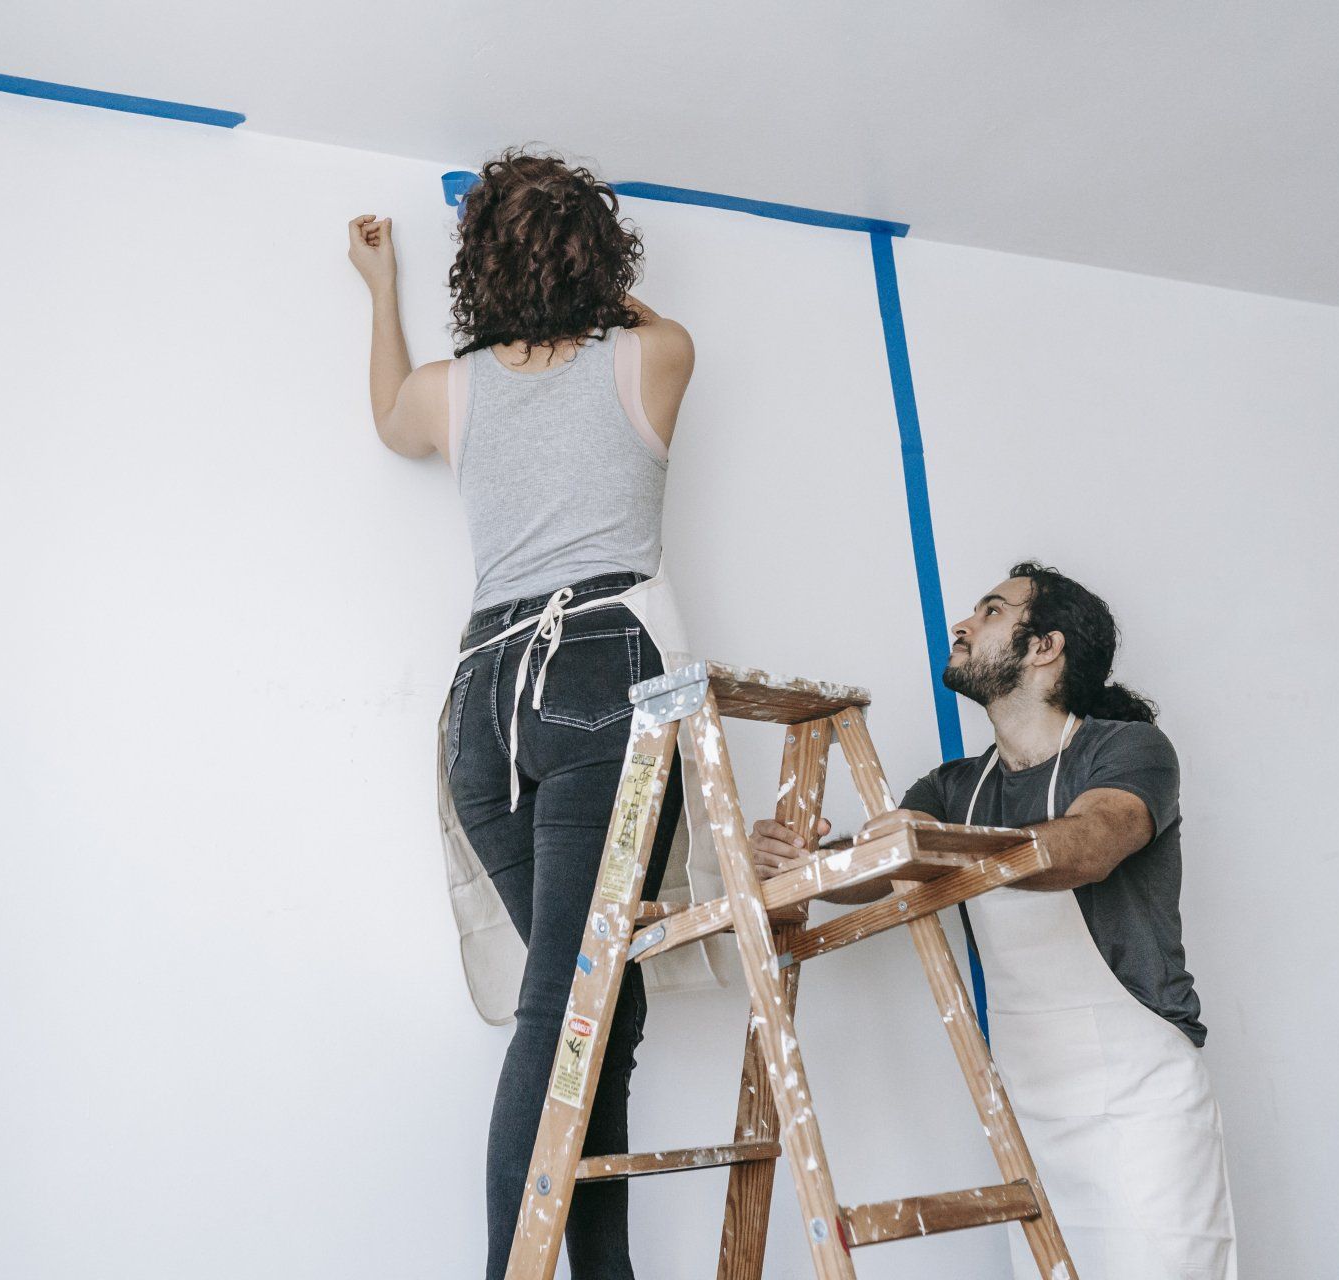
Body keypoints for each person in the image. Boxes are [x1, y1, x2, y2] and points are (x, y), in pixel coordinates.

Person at [348, 149, 724, 1280]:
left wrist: (382, 288)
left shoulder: (447, 388)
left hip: (484, 708)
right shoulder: (655, 355)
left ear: (483, 273)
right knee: (572, 1000)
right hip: (601, 684)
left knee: (598, 1001)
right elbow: (646, 318)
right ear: (603, 262)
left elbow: (384, 413)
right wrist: (573, 273)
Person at [750, 561, 1237, 1279]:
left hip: (1143, 1108)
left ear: (1044, 648)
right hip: (1030, 1114)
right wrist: (803, 861)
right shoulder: (954, 787)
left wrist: (943, 848)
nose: (963, 624)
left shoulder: (1125, 750)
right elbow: (878, 863)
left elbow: (1093, 844)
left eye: (991, 610)